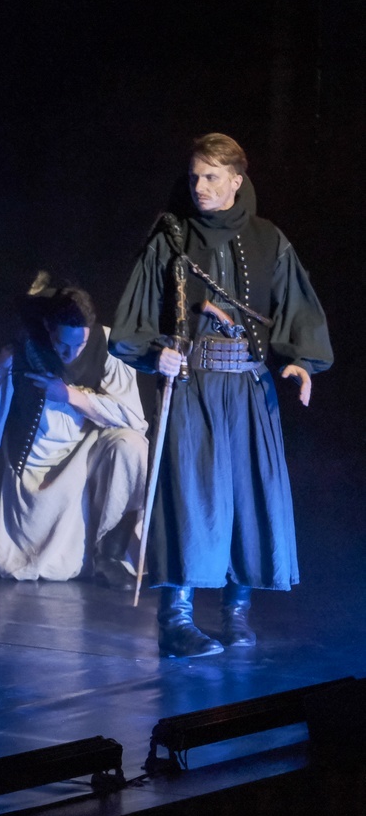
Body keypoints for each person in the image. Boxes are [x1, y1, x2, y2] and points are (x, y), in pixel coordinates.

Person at [111, 133, 331, 658]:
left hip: (250, 388)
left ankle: (236, 614)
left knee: (247, 496)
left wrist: (301, 362)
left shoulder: (268, 239)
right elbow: (134, 320)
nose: (200, 186)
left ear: (237, 179)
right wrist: (156, 353)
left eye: (211, 177)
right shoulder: (170, 238)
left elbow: (297, 308)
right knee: (190, 497)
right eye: (194, 177)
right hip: (193, 386)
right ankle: (177, 620)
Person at [0, 278, 149, 585]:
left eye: (79, 344)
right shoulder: (20, 353)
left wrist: (69, 395)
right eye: (63, 344)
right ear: (49, 329)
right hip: (38, 462)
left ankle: (111, 554)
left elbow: (132, 417)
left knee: (132, 445)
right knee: (50, 568)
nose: (71, 352)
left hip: (88, 449)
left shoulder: (106, 344)